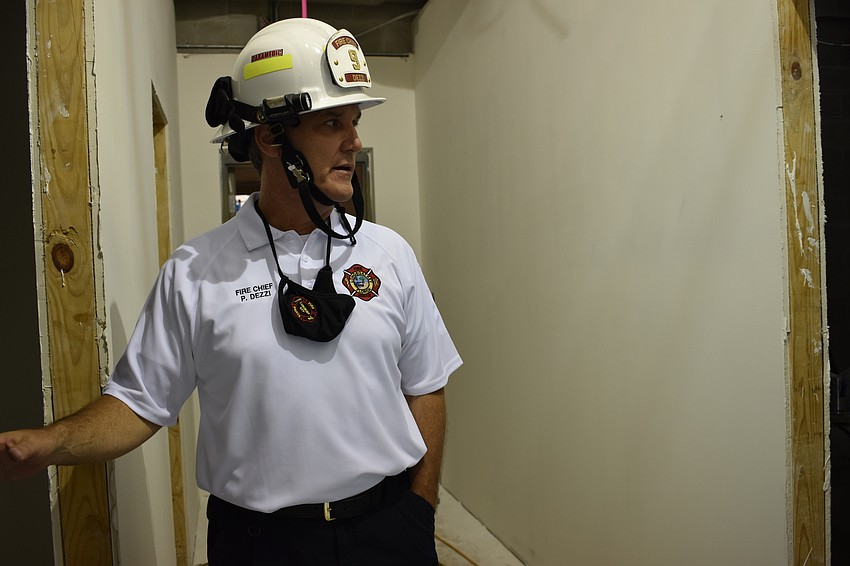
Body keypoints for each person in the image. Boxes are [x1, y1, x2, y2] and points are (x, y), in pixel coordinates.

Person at [0, 18, 461, 565]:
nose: (354, 142)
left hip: (387, 532)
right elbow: (138, 403)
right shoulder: (195, 272)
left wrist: (420, 508)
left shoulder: (389, 254)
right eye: (332, 121)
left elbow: (427, 385)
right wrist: (48, 444)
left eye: (354, 121)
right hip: (257, 544)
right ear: (270, 139)